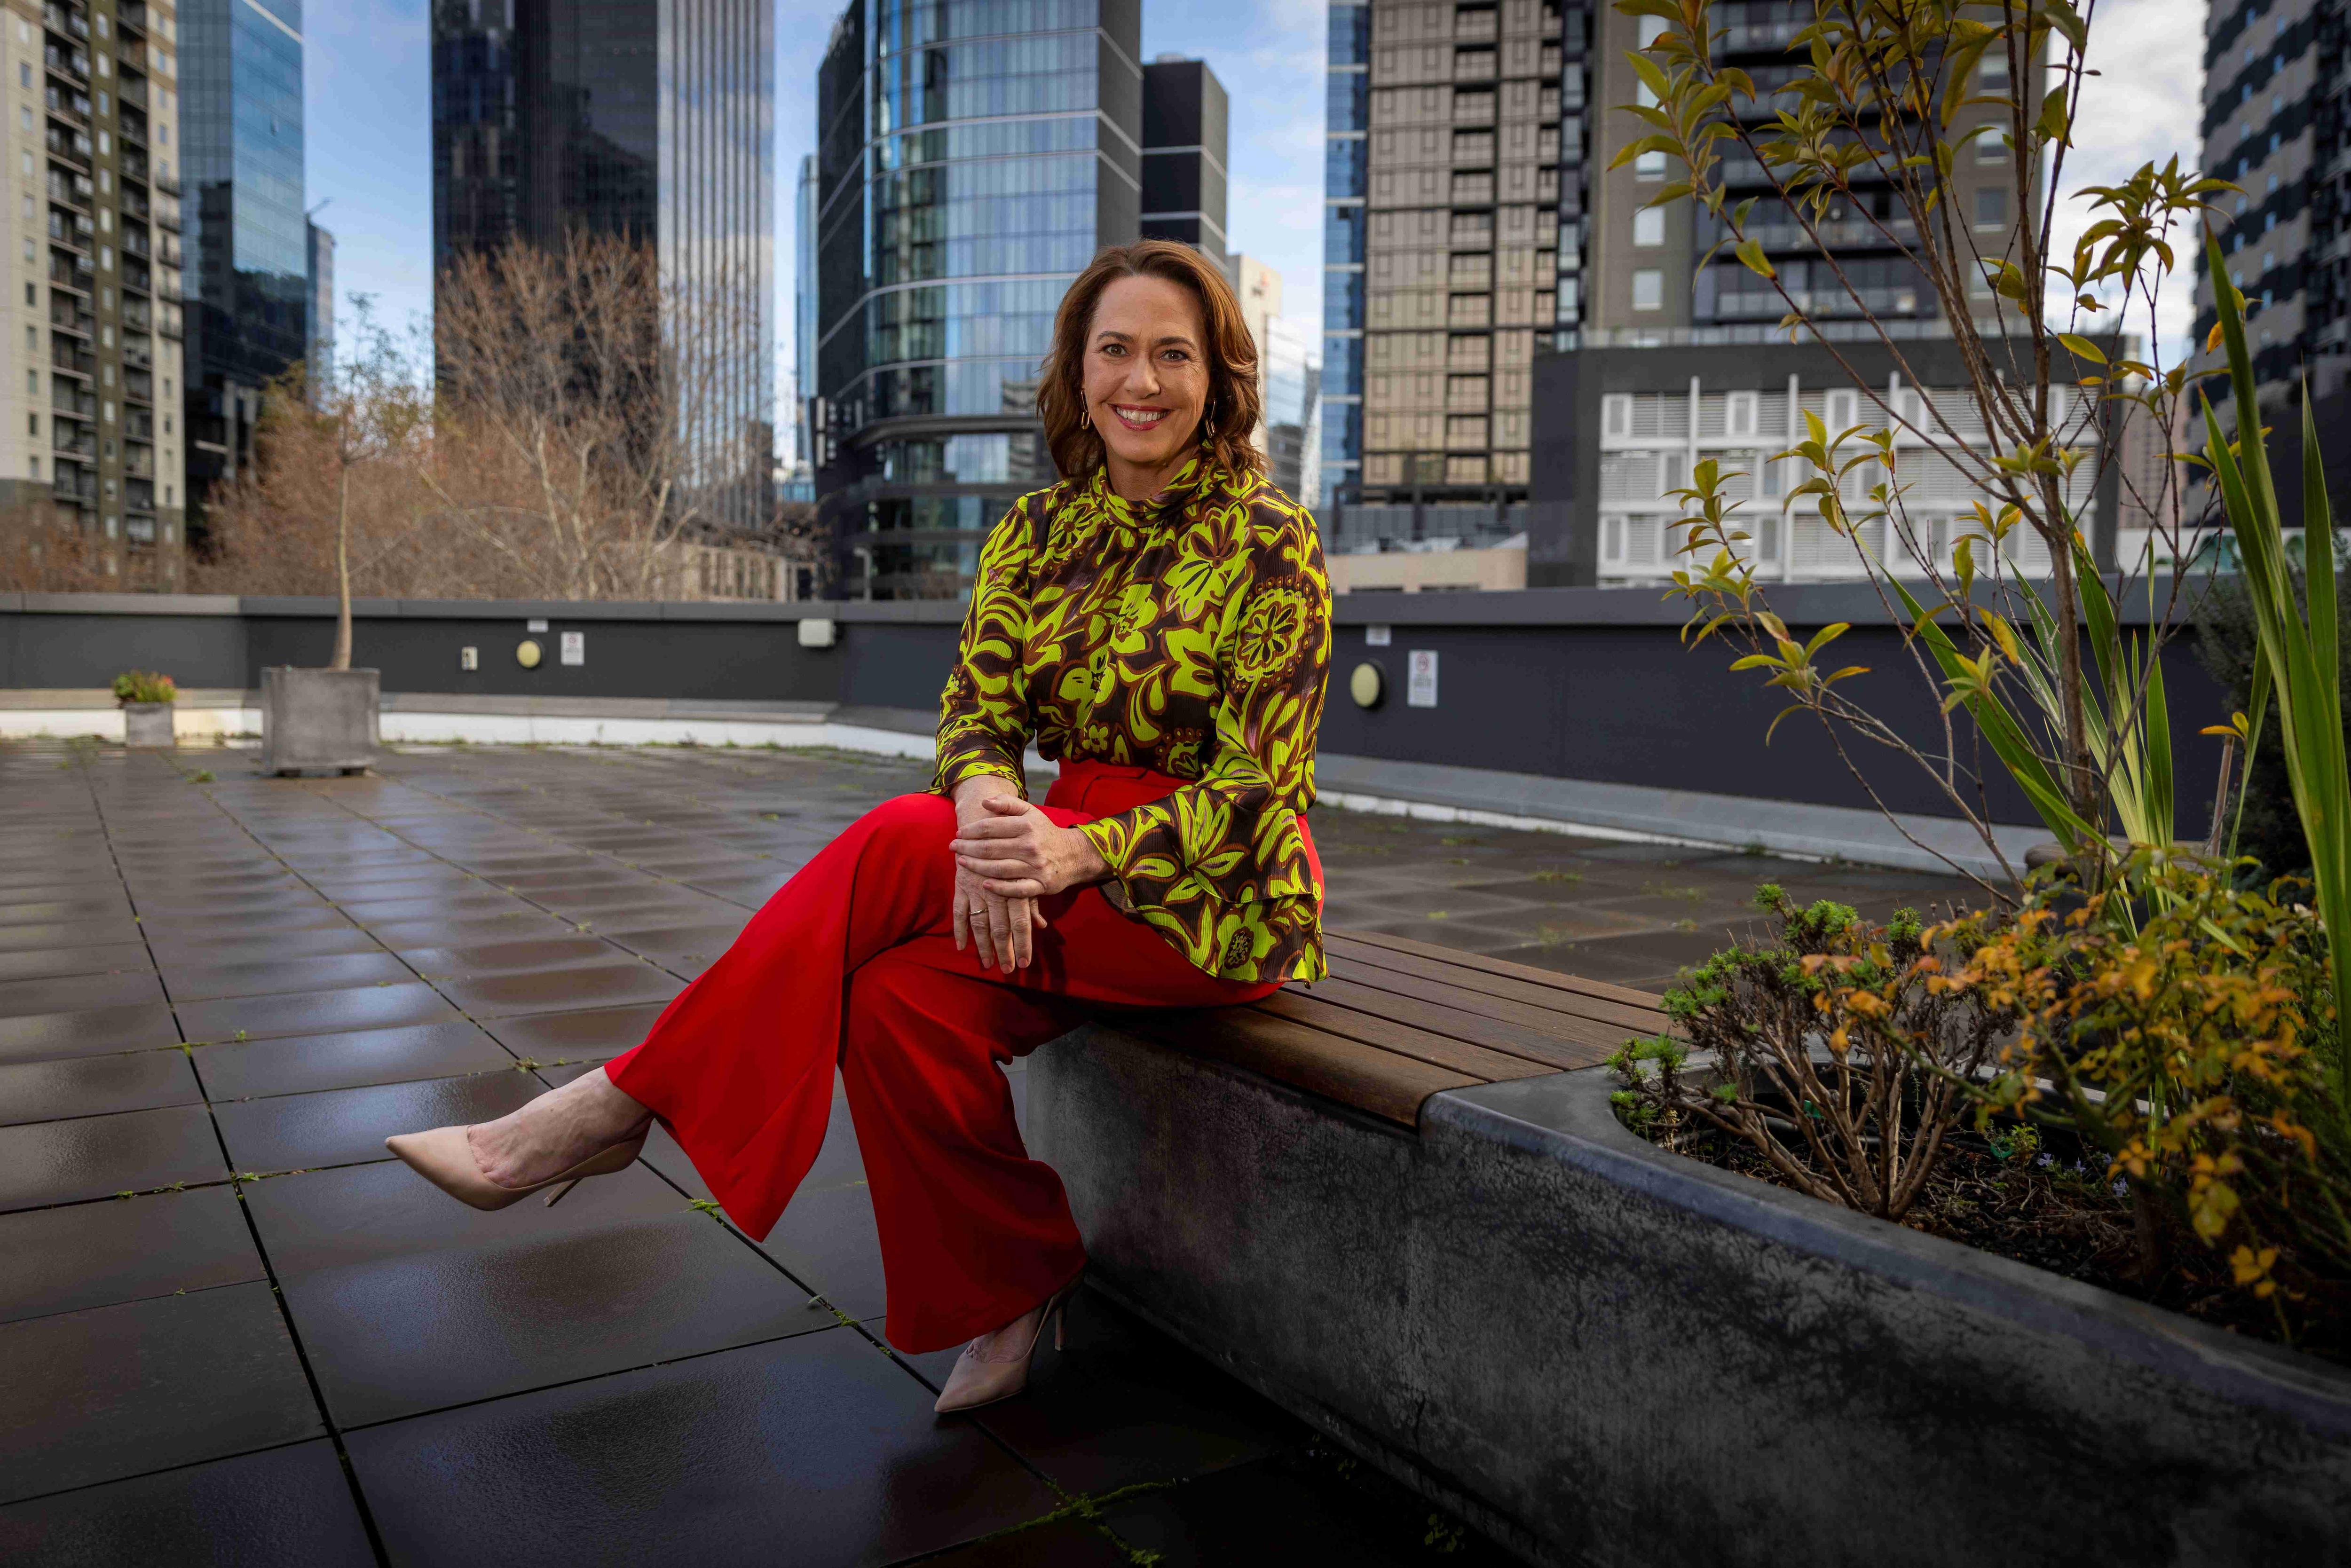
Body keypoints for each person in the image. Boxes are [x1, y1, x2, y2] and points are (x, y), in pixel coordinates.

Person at [386, 240, 1332, 1414]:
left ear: (1220, 376)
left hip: (1209, 903)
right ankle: (1011, 1284)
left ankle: (612, 1105)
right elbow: (977, 710)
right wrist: (992, 808)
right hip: (1043, 866)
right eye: (1116, 351)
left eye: (1173, 354)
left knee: (896, 836)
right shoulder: (1036, 534)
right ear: (1079, 373)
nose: (1142, 380)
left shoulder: (1271, 540)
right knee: (893, 1006)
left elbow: (1260, 787)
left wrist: (1075, 850)